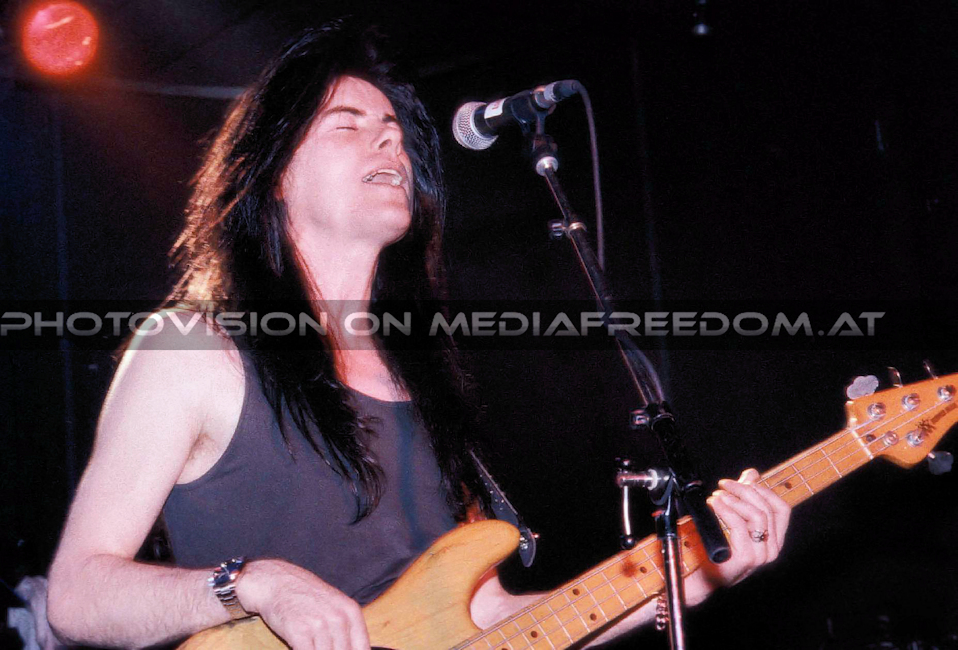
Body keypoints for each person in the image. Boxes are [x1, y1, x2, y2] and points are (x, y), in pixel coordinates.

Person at [46, 20, 791, 649]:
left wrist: (684, 581)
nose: (388, 147)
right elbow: (76, 597)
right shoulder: (192, 347)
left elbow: (491, 620)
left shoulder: (422, 378)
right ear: (272, 174)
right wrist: (255, 584)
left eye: (395, 133)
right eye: (348, 126)